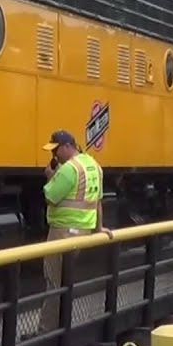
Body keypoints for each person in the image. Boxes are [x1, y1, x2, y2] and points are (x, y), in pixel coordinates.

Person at [38, 129, 112, 333]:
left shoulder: (68, 169)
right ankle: (64, 325)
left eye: (56, 150)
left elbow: (51, 197)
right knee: (66, 280)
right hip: (82, 232)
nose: (54, 155)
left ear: (68, 146)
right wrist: (99, 228)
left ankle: (47, 330)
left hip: (62, 233)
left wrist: (50, 177)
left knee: (53, 281)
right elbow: (97, 202)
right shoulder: (94, 166)